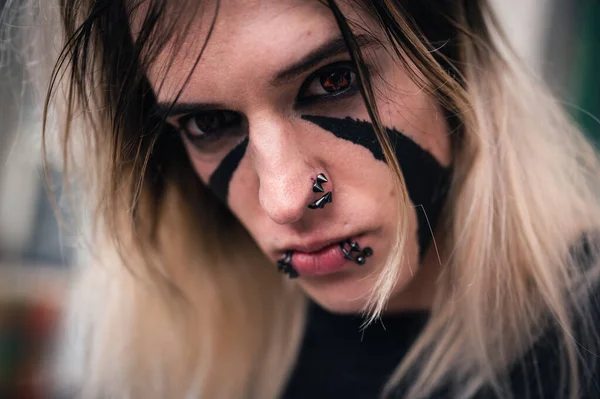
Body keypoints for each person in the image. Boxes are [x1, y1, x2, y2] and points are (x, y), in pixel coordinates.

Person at [33, 0, 600, 397]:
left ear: (451, 55)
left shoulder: (586, 333)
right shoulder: (175, 359)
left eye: (333, 81)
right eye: (209, 122)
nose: (284, 199)